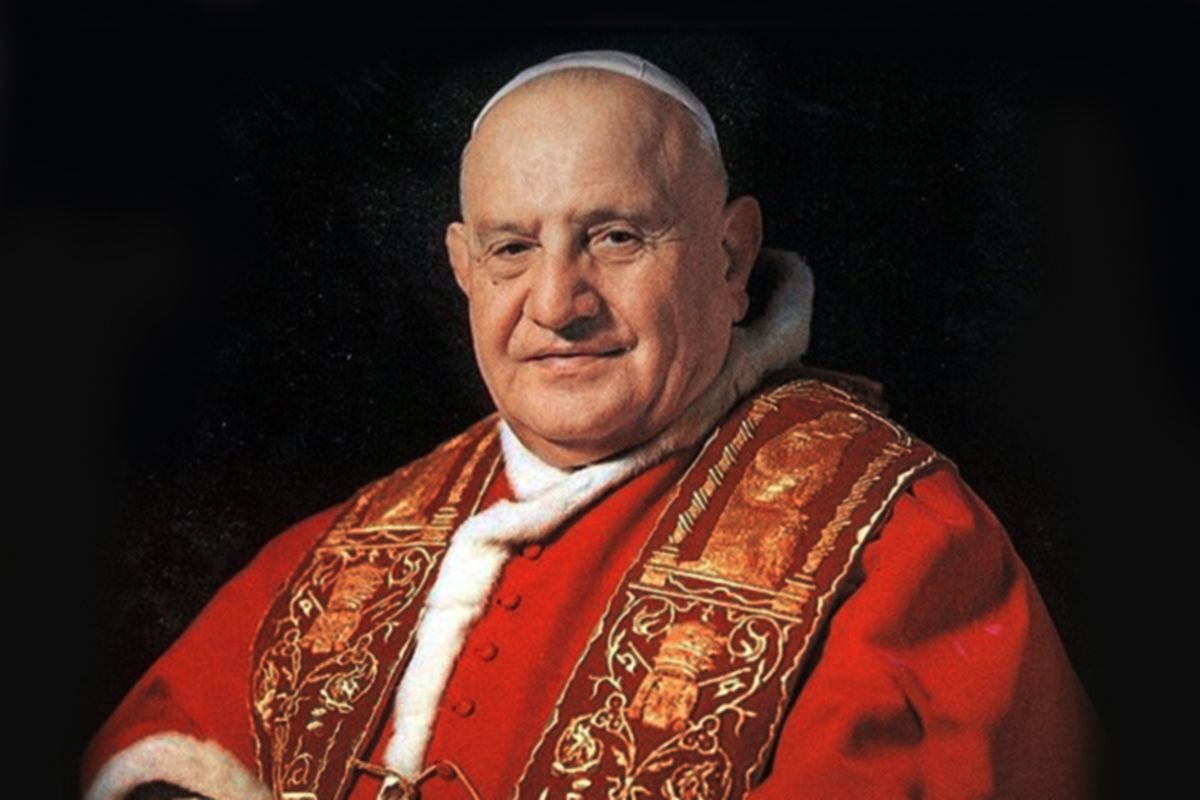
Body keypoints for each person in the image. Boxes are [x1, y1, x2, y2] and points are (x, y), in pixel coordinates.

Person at [83, 51, 1096, 800]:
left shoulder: (900, 541)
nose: (558, 302)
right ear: (463, 268)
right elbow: (158, 747)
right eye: (512, 248)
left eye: (615, 237)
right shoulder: (354, 540)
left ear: (730, 259)